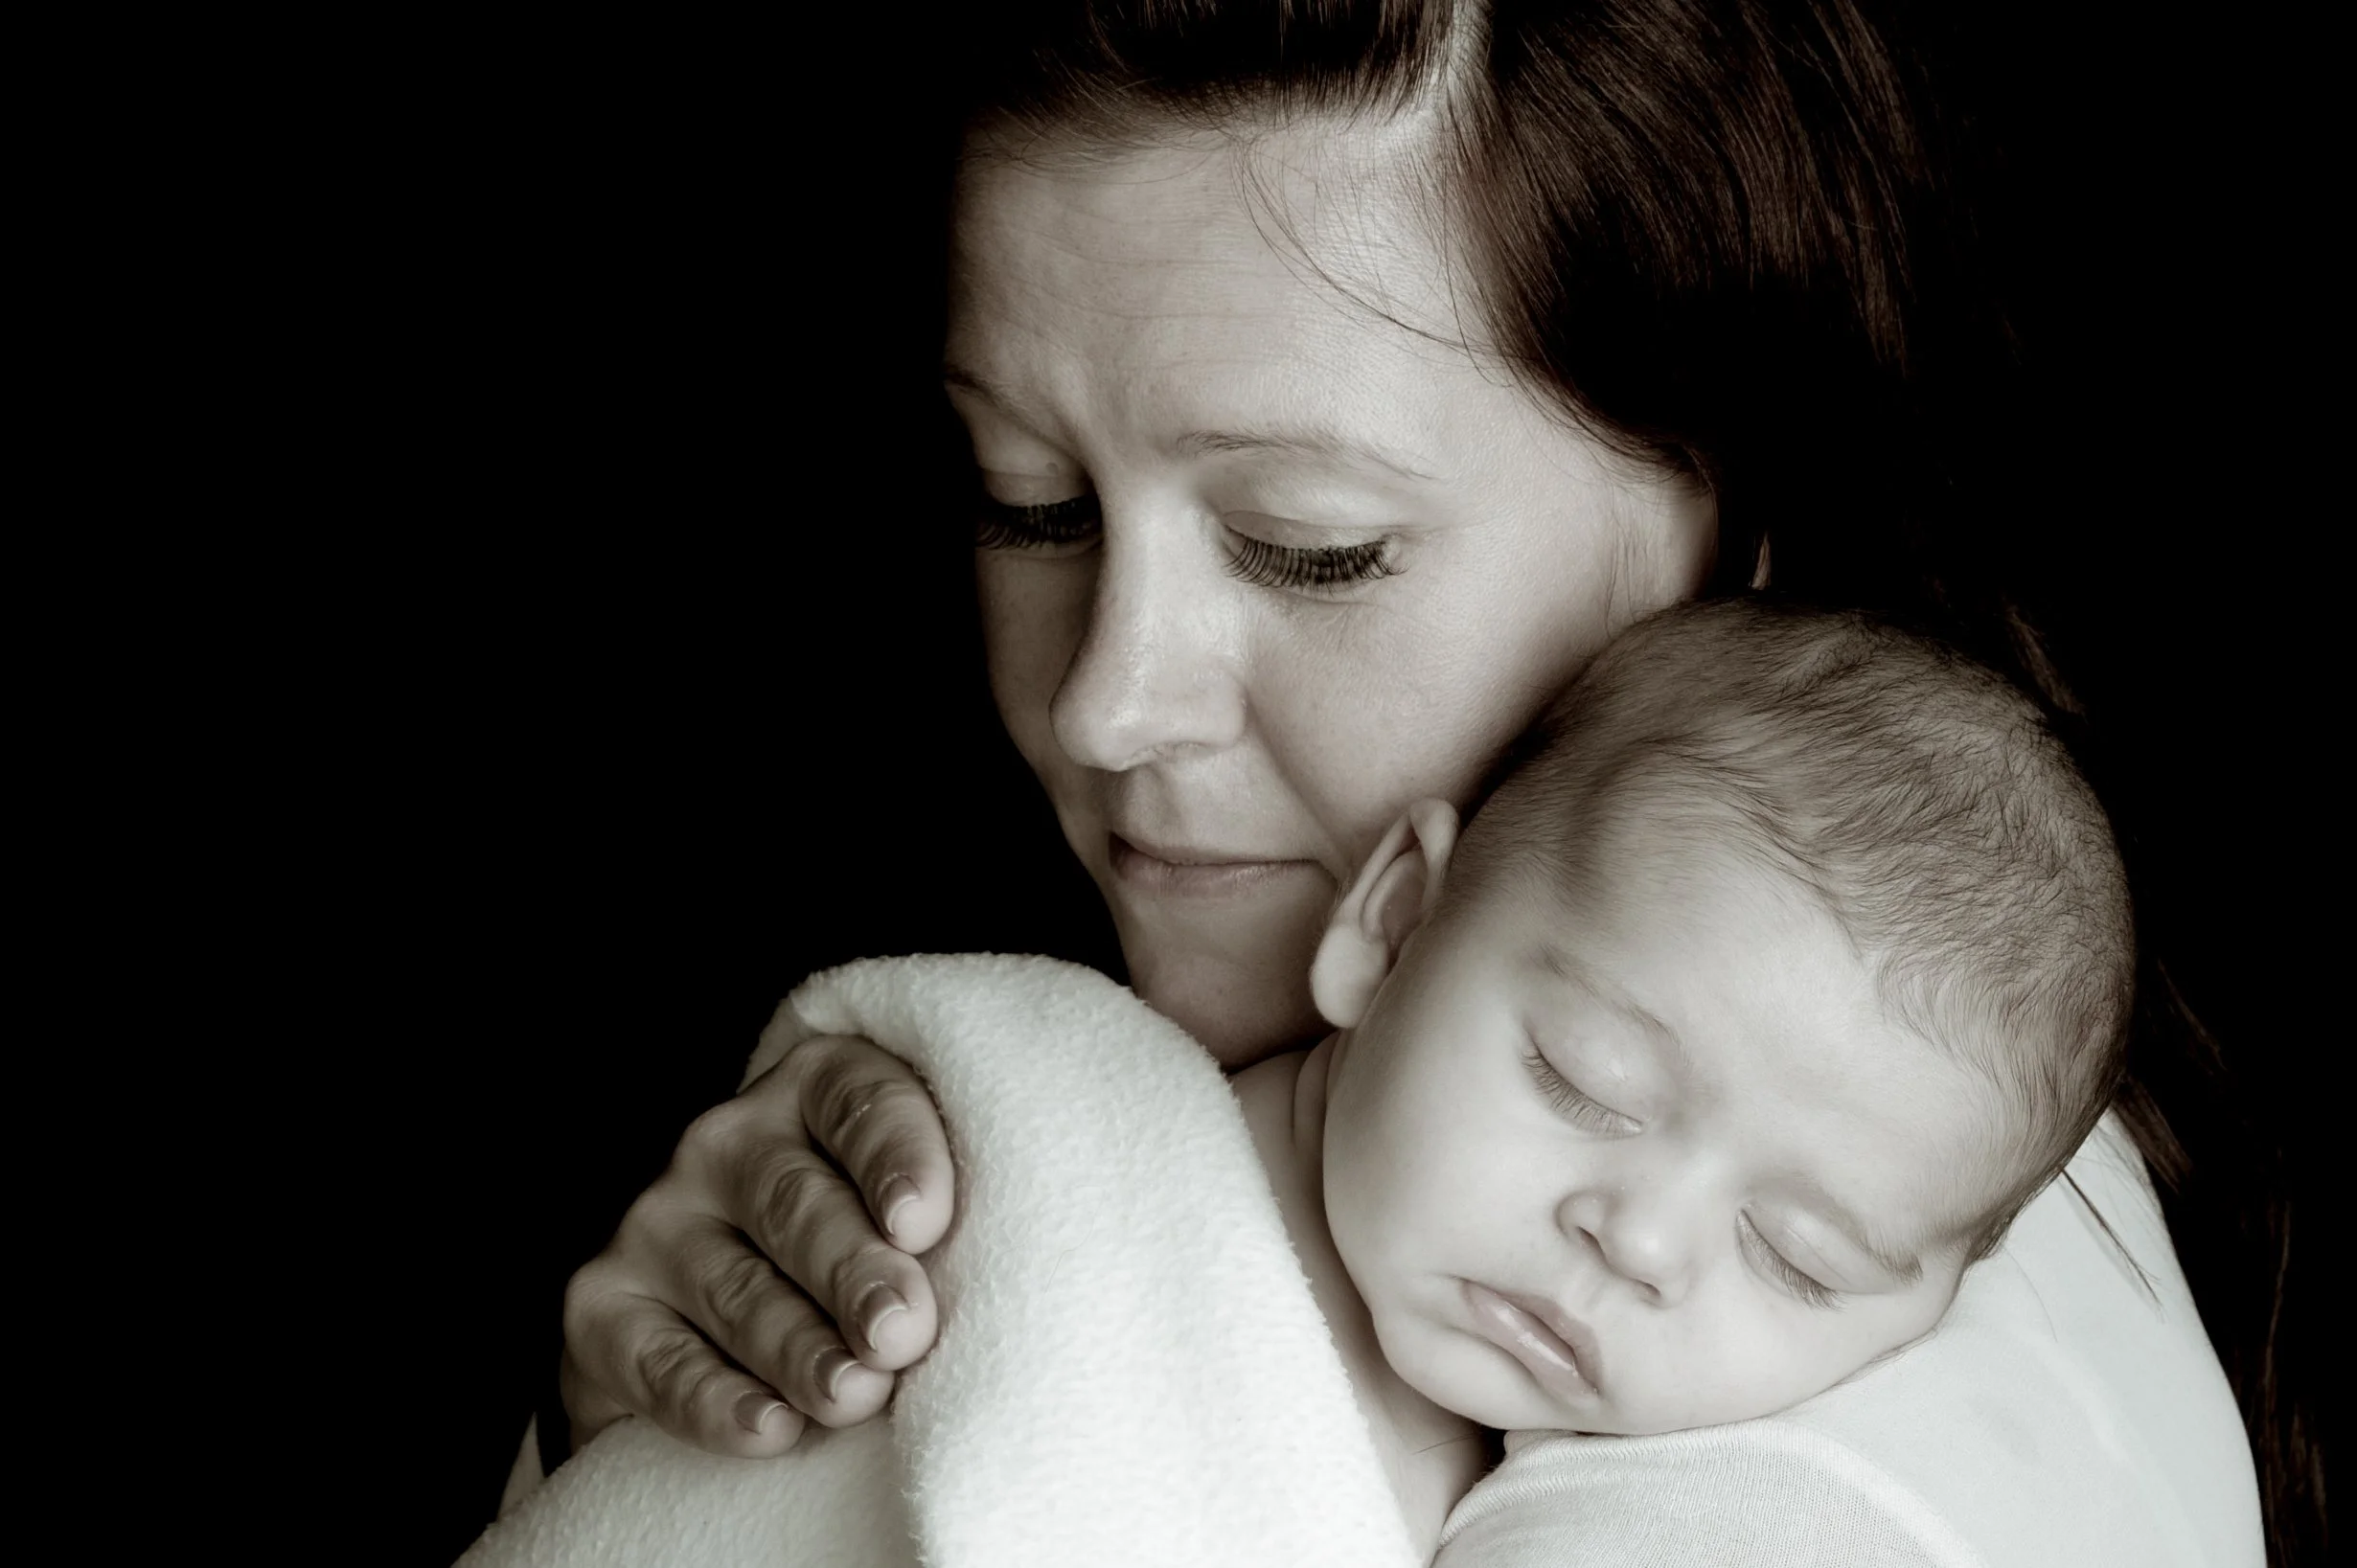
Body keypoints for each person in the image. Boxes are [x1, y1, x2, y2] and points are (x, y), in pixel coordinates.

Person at [547, 1, 2310, 1559]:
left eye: (1310, 547)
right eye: (1033, 501)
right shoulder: (1135, 1138)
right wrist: (660, 1454)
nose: (1105, 702)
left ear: (1745, 536)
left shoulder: (1823, 1460)